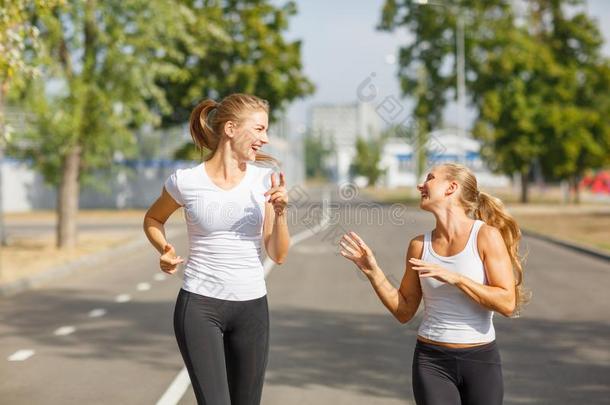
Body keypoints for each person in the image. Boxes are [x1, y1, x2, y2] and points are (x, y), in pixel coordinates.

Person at [143, 93, 290, 405]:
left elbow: (277, 254)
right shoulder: (186, 181)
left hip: (251, 308)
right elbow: (153, 219)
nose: (265, 139)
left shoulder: (265, 181)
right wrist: (165, 249)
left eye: (266, 130)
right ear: (231, 129)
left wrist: (280, 214)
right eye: (259, 129)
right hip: (200, 306)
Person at [339, 163, 527, 405]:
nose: (420, 185)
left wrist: (456, 278)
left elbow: (507, 302)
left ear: (451, 187)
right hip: (432, 362)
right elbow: (404, 311)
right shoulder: (419, 246)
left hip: (481, 360)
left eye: (429, 178)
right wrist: (373, 272)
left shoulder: (485, 236)